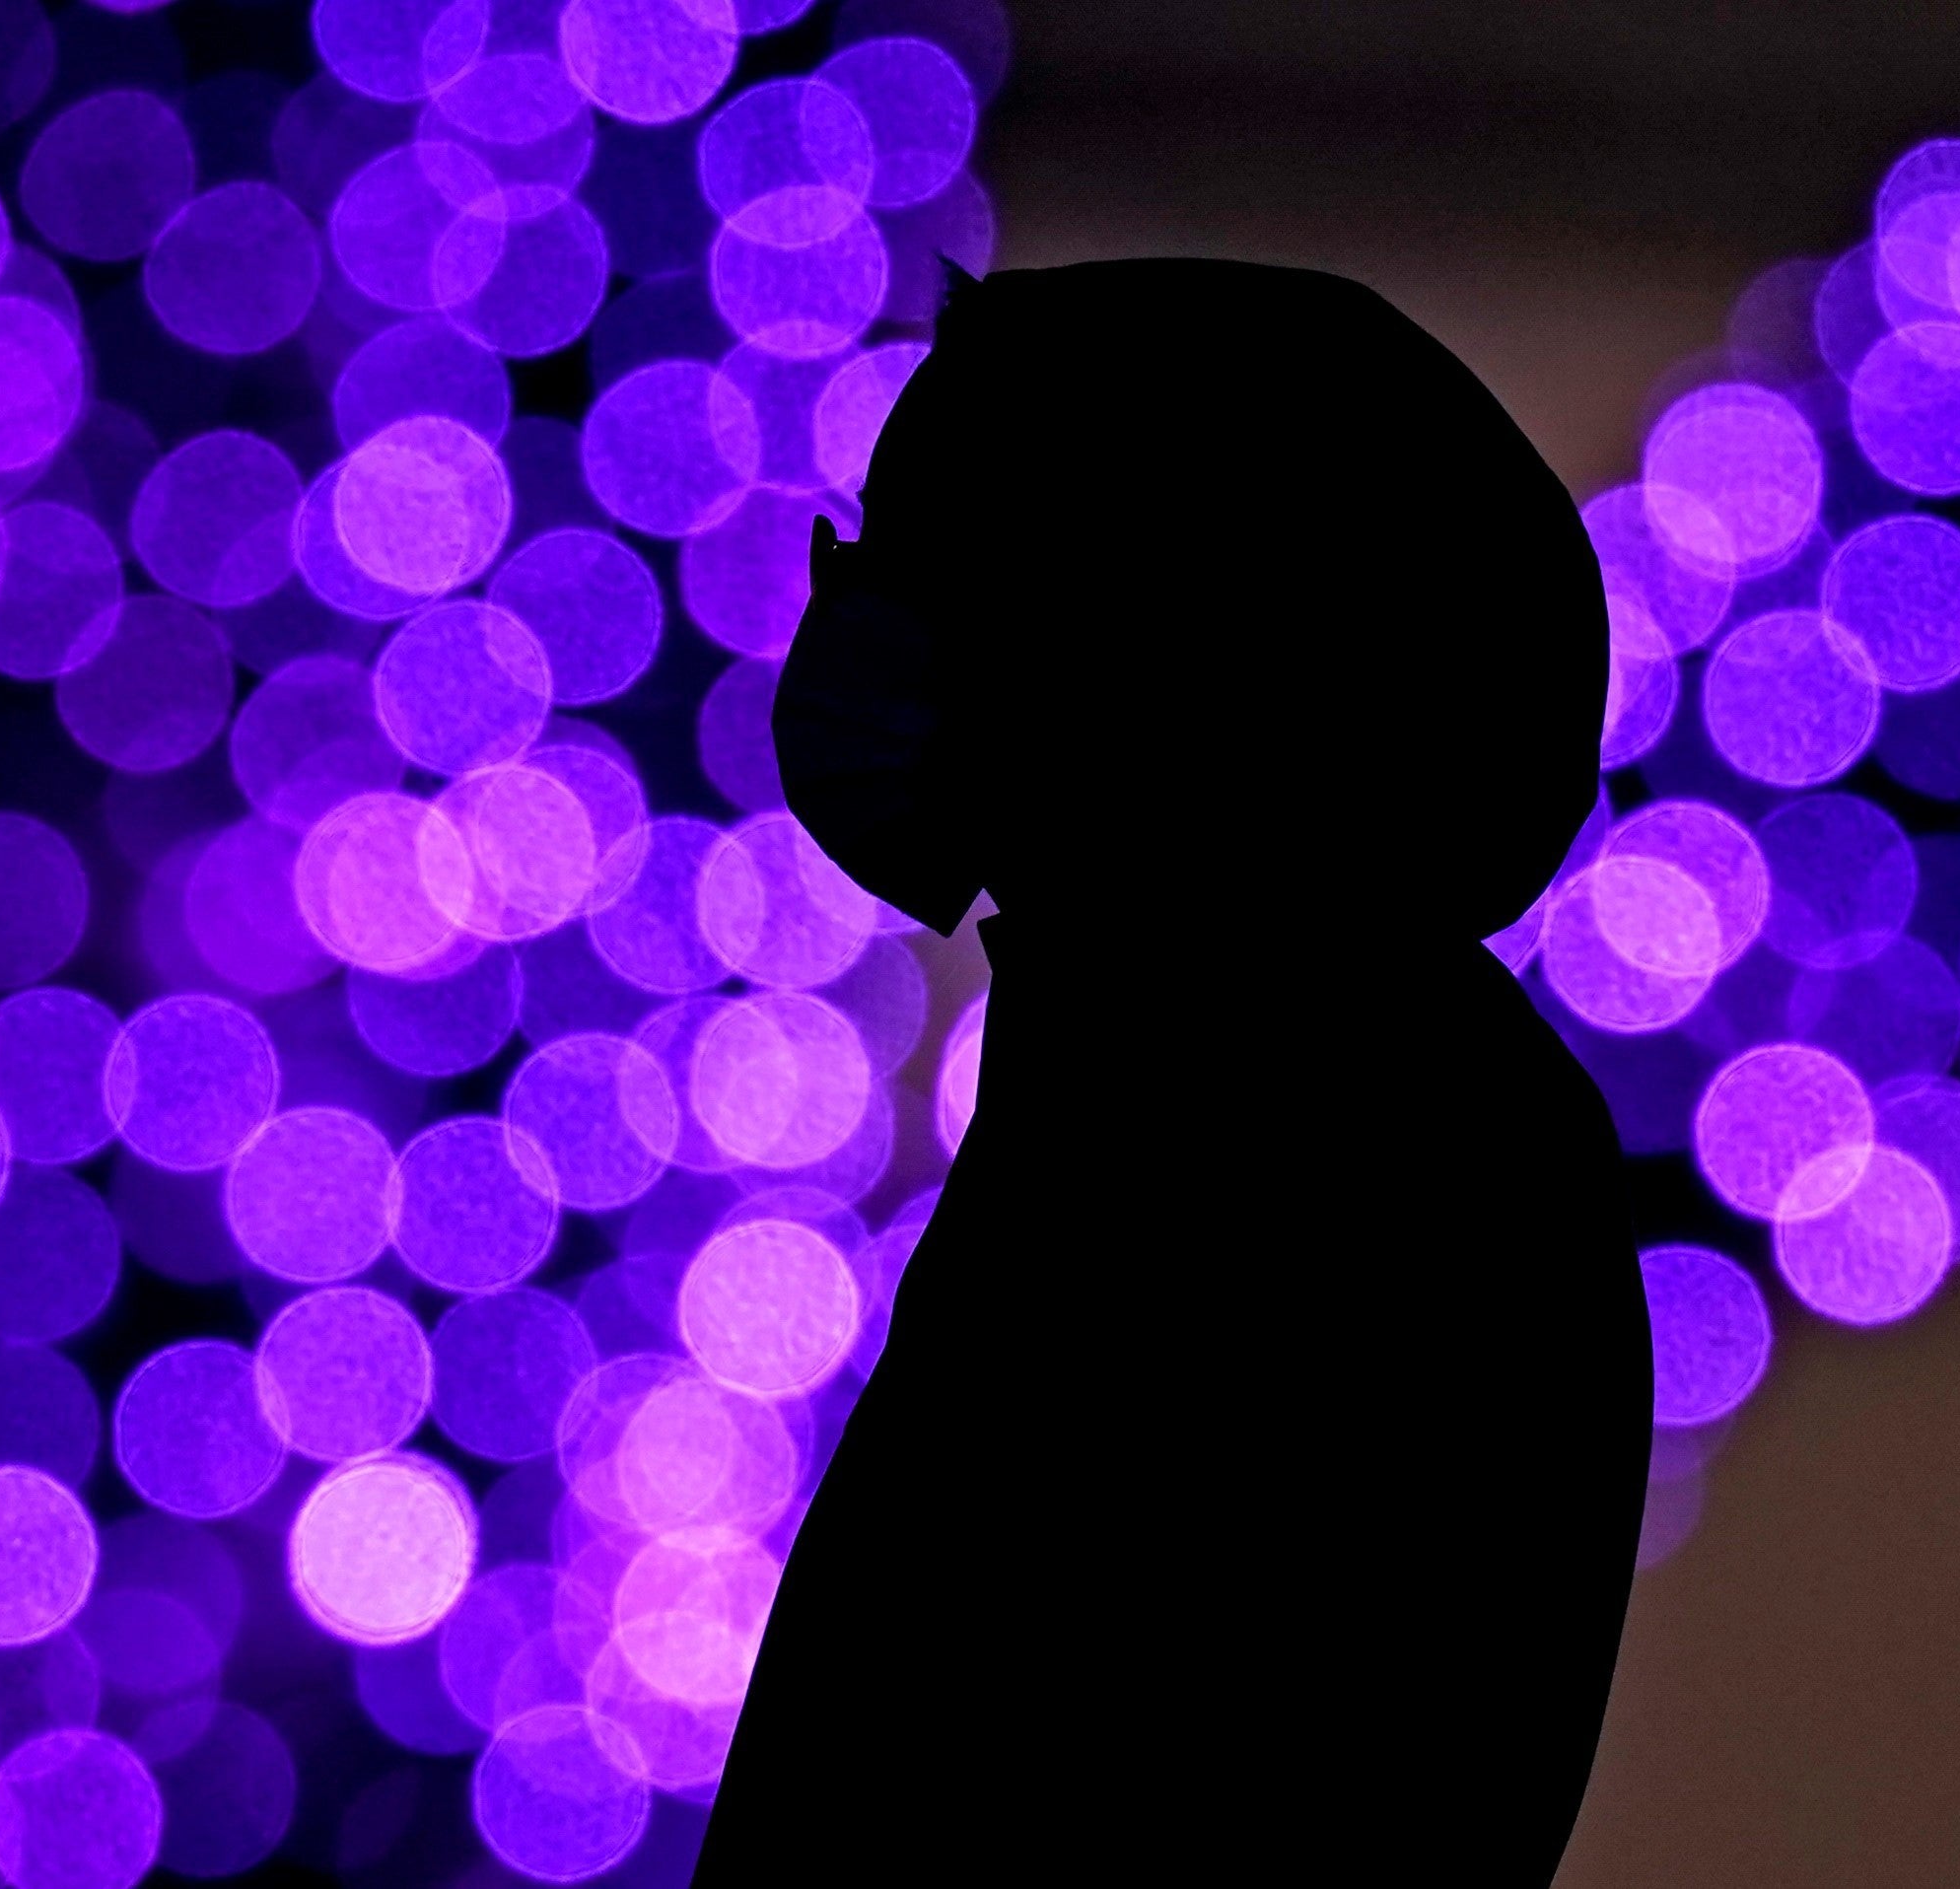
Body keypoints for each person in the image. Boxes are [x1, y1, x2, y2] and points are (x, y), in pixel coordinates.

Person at [690, 258, 1648, 1884]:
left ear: (1153, 631)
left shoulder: (1316, 1133)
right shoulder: (1243, 1071)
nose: (850, 611)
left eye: (926, 560)